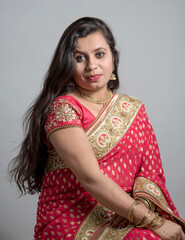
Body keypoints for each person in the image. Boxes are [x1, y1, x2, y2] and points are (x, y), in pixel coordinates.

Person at [9, 17, 185, 240]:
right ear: (68, 64)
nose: (91, 65)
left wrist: (138, 205)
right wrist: (151, 220)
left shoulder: (134, 109)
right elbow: (91, 178)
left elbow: (151, 172)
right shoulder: (63, 109)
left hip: (126, 211)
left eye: (99, 54)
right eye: (80, 58)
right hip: (72, 219)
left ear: (114, 57)